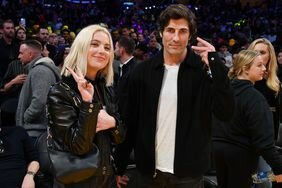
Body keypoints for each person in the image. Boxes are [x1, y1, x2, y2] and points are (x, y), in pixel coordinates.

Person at [114, 4, 234, 188]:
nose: (176, 38)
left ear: (190, 35)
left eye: (182, 31)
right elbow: (130, 121)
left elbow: (225, 113)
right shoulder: (141, 72)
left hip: (189, 175)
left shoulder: (203, 72)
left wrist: (215, 64)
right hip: (148, 173)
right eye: (170, 30)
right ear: (161, 33)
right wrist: (119, 166)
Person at [47, 24, 125, 188]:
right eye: (94, 44)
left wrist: (113, 123)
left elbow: (120, 136)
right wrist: (87, 105)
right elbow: (79, 147)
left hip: (107, 179)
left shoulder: (106, 88)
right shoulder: (60, 91)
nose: (102, 51)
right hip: (77, 181)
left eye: (107, 47)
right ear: (81, 48)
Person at [212, 50, 282, 188]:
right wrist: (279, 168)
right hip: (241, 156)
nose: (264, 69)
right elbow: (264, 142)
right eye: (259, 65)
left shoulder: (223, 91)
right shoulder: (254, 98)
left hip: (217, 153)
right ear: (245, 69)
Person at [16, 40, 61, 188]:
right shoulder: (38, 69)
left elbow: (40, 101)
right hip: (37, 132)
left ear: (30, 54)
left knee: (41, 176)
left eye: (21, 53)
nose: (18, 56)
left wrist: (25, 118)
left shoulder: (40, 71)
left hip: (37, 133)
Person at [248, 38, 281, 188]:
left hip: (266, 144)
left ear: (270, 56)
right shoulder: (241, 81)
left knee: (265, 181)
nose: (258, 56)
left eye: (262, 52)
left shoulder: (275, 84)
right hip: (243, 142)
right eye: (255, 52)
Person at [113, 36, 137, 122]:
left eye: (116, 48)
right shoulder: (122, 67)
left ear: (121, 50)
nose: (114, 51)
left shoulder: (135, 70)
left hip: (129, 121)